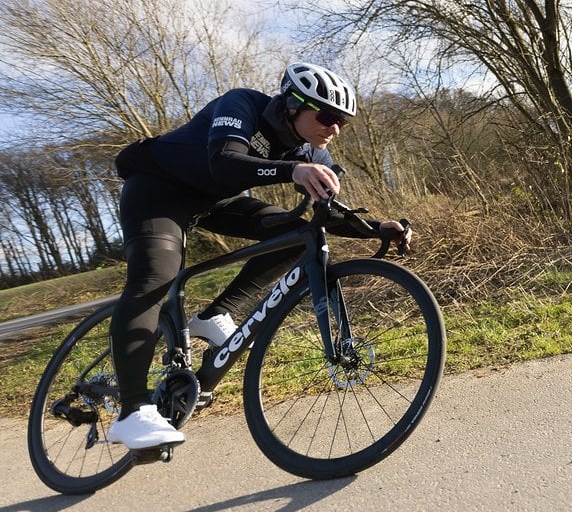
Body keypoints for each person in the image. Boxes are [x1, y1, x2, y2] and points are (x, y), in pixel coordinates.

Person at [106, 62, 405, 450]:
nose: (334, 129)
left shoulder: (312, 151)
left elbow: (326, 212)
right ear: (293, 104)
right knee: (154, 281)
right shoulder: (243, 104)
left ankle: (214, 315)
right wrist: (294, 170)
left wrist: (378, 227)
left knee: (298, 235)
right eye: (328, 116)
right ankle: (132, 412)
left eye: (343, 123)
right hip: (157, 193)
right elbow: (226, 164)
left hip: (213, 202)